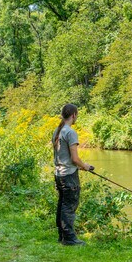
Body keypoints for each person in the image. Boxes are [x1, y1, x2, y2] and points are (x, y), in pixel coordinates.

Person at [52, 104, 93, 246]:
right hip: (68, 176)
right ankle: (69, 238)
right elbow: (75, 159)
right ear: (74, 115)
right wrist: (85, 166)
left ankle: (62, 236)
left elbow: (64, 158)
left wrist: (79, 167)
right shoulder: (70, 132)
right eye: (77, 115)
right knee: (69, 206)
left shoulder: (57, 131)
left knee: (62, 204)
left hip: (59, 174)